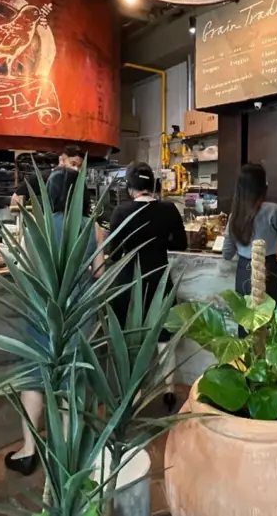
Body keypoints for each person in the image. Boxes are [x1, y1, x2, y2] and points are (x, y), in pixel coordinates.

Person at [5, 168, 101, 476]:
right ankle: (68, 455)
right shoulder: (95, 229)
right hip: (77, 315)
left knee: (34, 376)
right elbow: (99, 274)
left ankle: (29, 451)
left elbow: (27, 267)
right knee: (72, 381)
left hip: (41, 309)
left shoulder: (36, 225)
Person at [107, 162, 188, 410]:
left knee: (130, 340)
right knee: (165, 338)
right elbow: (181, 244)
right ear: (152, 185)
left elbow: (114, 253)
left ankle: (134, 393)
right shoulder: (169, 209)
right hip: (160, 279)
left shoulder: (121, 212)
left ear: (130, 187)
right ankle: (169, 390)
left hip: (129, 284)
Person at [223, 164, 277, 300]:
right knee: (268, 318)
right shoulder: (272, 210)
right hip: (267, 272)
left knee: (246, 318)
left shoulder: (235, 215)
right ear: (262, 186)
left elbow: (227, 254)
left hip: (243, 273)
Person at [11, 145, 87, 211]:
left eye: (79, 166)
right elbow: (15, 198)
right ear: (61, 160)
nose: (76, 169)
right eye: (73, 164)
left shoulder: (79, 183)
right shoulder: (39, 178)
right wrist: (30, 218)